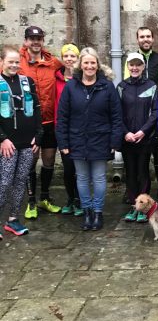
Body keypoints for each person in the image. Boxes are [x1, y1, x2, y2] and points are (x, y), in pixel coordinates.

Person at [56, 47, 123, 231]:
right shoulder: (71, 87)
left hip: (101, 139)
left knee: (100, 178)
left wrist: (115, 141)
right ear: (81, 65)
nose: (89, 66)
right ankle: (87, 212)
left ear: (98, 65)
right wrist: (63, 142)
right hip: (77, 140)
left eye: (93, 62)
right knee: (83, 178)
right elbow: (62, 117)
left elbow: (116, 116)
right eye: (86, 62)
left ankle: (98, 212)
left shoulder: (107, 86)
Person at [19, 26, 63, 218]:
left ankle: (44, 197)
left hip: (49, 120)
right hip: (28, 123)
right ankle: (31, 202)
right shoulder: (18, 62)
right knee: (31, 161)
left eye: (39, 38)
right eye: (32, 38)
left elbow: (68, 71)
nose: (36, 42)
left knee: (49, 160)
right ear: (26, 41)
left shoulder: (52, 62)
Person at [0, 45, 42, 238]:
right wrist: (2, 139)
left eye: (17, 62)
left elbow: (37, 109)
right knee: (5, 182)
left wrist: (38, 134)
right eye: (10, 62)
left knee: (20, 182)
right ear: (2, 62)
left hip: (27, 142)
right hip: (7, 144)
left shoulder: (28, 82)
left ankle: (13, 219)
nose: (14, 65)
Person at [123, 27, 158, 199]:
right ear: (137, 39)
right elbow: (127, 83)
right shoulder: (132, 60)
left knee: (156, 151)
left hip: (154, 110)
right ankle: (132, 188)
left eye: (148, 36)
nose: (145, 39)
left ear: (153, 39)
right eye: (142, 37)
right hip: (136, 111)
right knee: (133, 157)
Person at [118, 52, 158, 222]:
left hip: (144, 138)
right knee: (130, 172)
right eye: (131, 65)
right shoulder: (121, 87)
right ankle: (134, 207)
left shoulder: (152, 85)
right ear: (128, 66)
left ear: (143, 67)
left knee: (142, 171)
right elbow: (116, 113)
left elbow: (156, 112)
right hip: (127, 138)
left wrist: (143, 131)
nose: (135, 68)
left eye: (138, 65)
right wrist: (126, 132)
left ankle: (144, 208)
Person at [55, 43, 83, 216]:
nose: (70, 59)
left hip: (79, 129)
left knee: (79, 168)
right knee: (67, 168)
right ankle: (70, 198)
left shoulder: (81, 79)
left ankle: (80, 199)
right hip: (62, 127)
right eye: (66, 56)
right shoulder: (56, 78)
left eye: (73, 56)